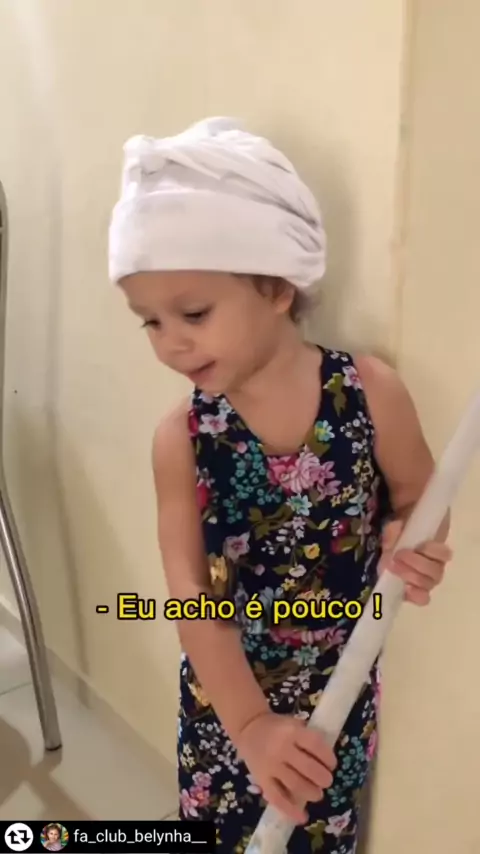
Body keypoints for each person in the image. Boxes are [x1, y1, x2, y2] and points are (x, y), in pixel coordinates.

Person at [108, 118, 452, 854]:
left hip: (340, 698)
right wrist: (250, 725)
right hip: (227, 705)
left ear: (276, 285)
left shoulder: (371, 395)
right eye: (150, 323)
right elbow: (190, 599)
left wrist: (415, 541)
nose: (171, 342)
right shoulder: (182, 440)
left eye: (193, 313)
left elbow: (420, 497)